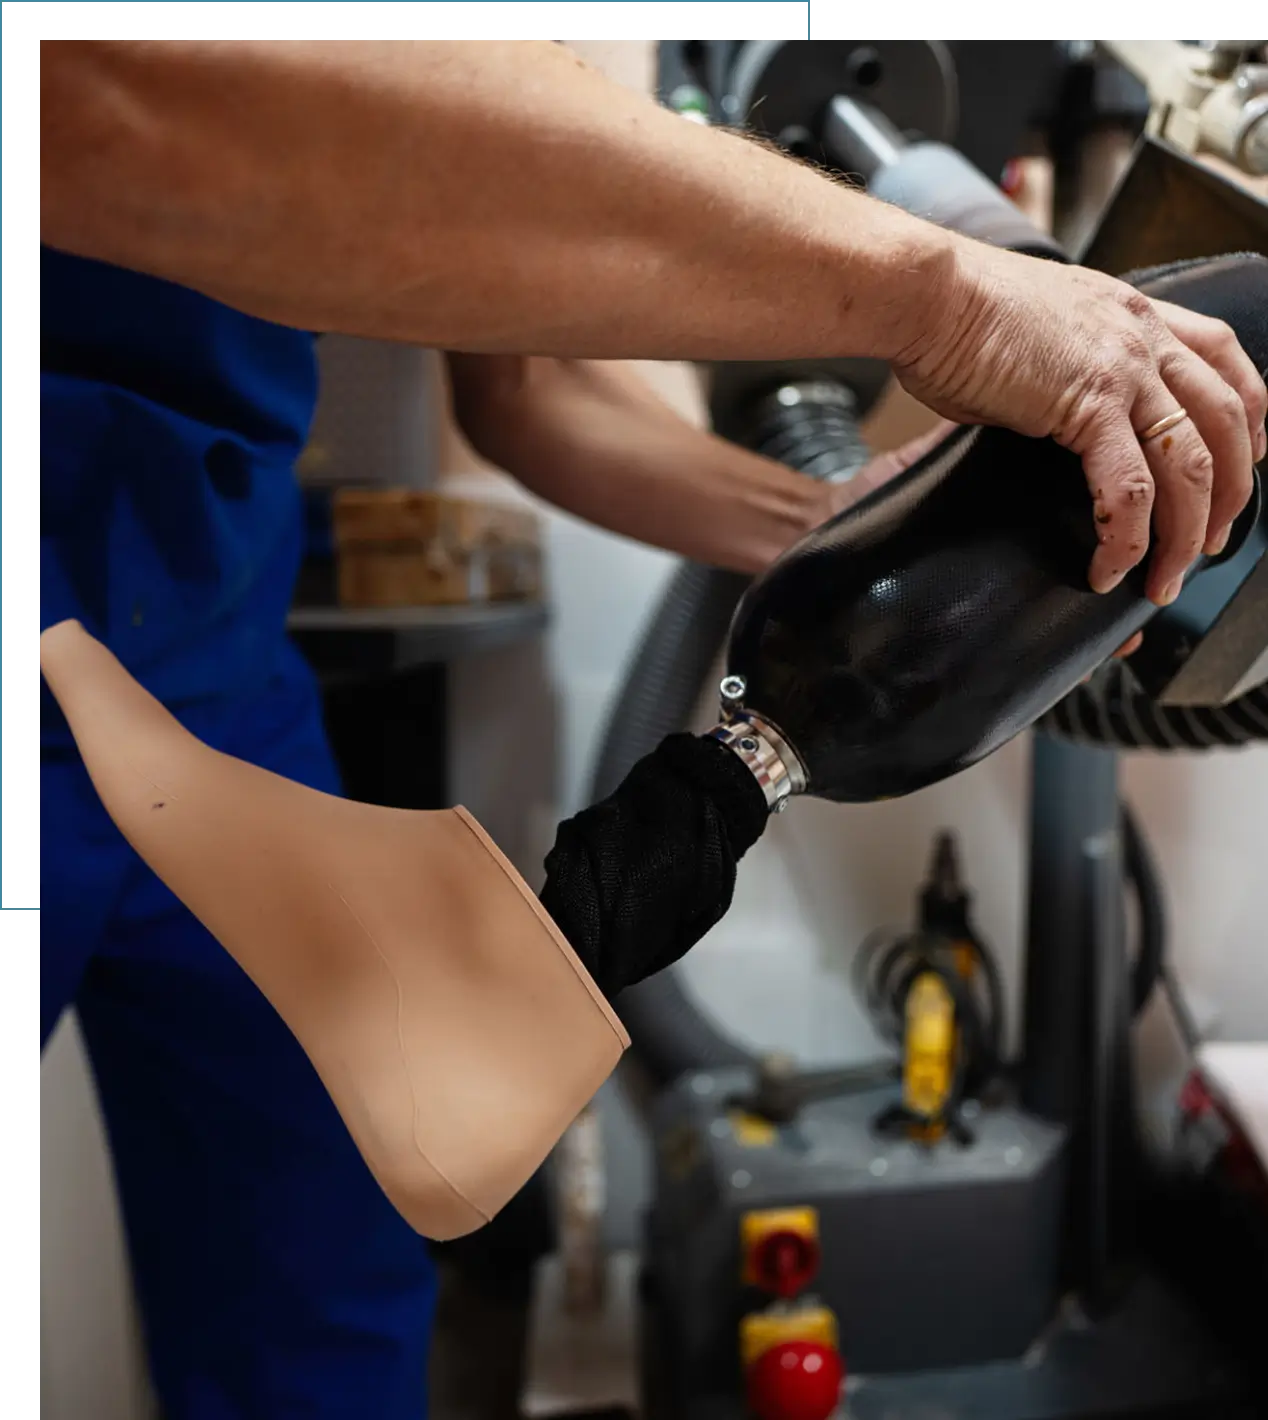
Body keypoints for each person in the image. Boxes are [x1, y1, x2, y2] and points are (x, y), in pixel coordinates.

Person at [39, 40, 1265, 1420]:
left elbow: (532, 388)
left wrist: (847, 539)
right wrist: (949, 297)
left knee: (318, 1276)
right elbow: (112, 102)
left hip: (207, 638)